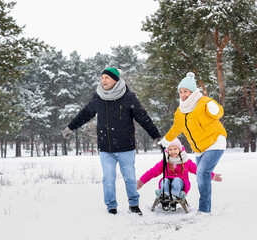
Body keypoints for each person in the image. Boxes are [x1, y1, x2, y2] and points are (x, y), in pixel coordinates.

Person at [62, 67, 161, 215]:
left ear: (116, 80)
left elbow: (143, 117)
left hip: (126, 147)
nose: (103, 80)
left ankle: (133, 204)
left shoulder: (129, 97)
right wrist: (71, 127)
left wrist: (156, 136)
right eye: (102, 78)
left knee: (130, 178)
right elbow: (85, 113)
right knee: (108, 178)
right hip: (105, 147)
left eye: (107, 78)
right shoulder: (98, 97)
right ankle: (111, 207)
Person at [157, 72, 227, 213]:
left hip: (215, 141)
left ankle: (204, 210)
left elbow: (218, 111)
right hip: (199, 148)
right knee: (201, 177)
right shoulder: (180, 111)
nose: (183, 95)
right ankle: (204, 207)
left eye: (186, 91)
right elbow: (176, 128)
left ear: (193, 91)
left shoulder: (204, 102)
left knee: (202, 173)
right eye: (181, 92)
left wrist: (216, 111)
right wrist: (165, 140)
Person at [137, 138, 222, 211]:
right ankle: (164, 199)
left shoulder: (186, 162)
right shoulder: (165, 162)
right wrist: (140, 182)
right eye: (170, 149)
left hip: (181, 185)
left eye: (175, 149)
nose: (173, 151)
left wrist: (213, 176)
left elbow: (199, 171)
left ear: (180, 149)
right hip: (167, 185)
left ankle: (174, 197)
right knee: (165, 180)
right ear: (167, 150)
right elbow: (152, 172)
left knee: (177, 180)